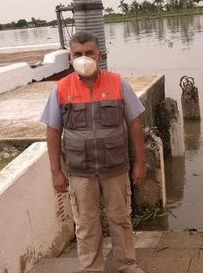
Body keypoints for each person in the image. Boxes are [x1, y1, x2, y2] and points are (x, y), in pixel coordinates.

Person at [41, 31, 147, 273]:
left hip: (115, 168)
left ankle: (127, 265)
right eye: (78, 54)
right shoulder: (60, 89)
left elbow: (135, 123)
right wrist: (56, 171)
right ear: (70, 57)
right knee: (86, 224)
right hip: (80, 171)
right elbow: (53, 131)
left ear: (100, 54)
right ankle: (92, 268)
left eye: (89, 53)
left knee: (121, 219)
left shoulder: (118, 83)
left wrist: (140, 163)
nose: (84, 58)